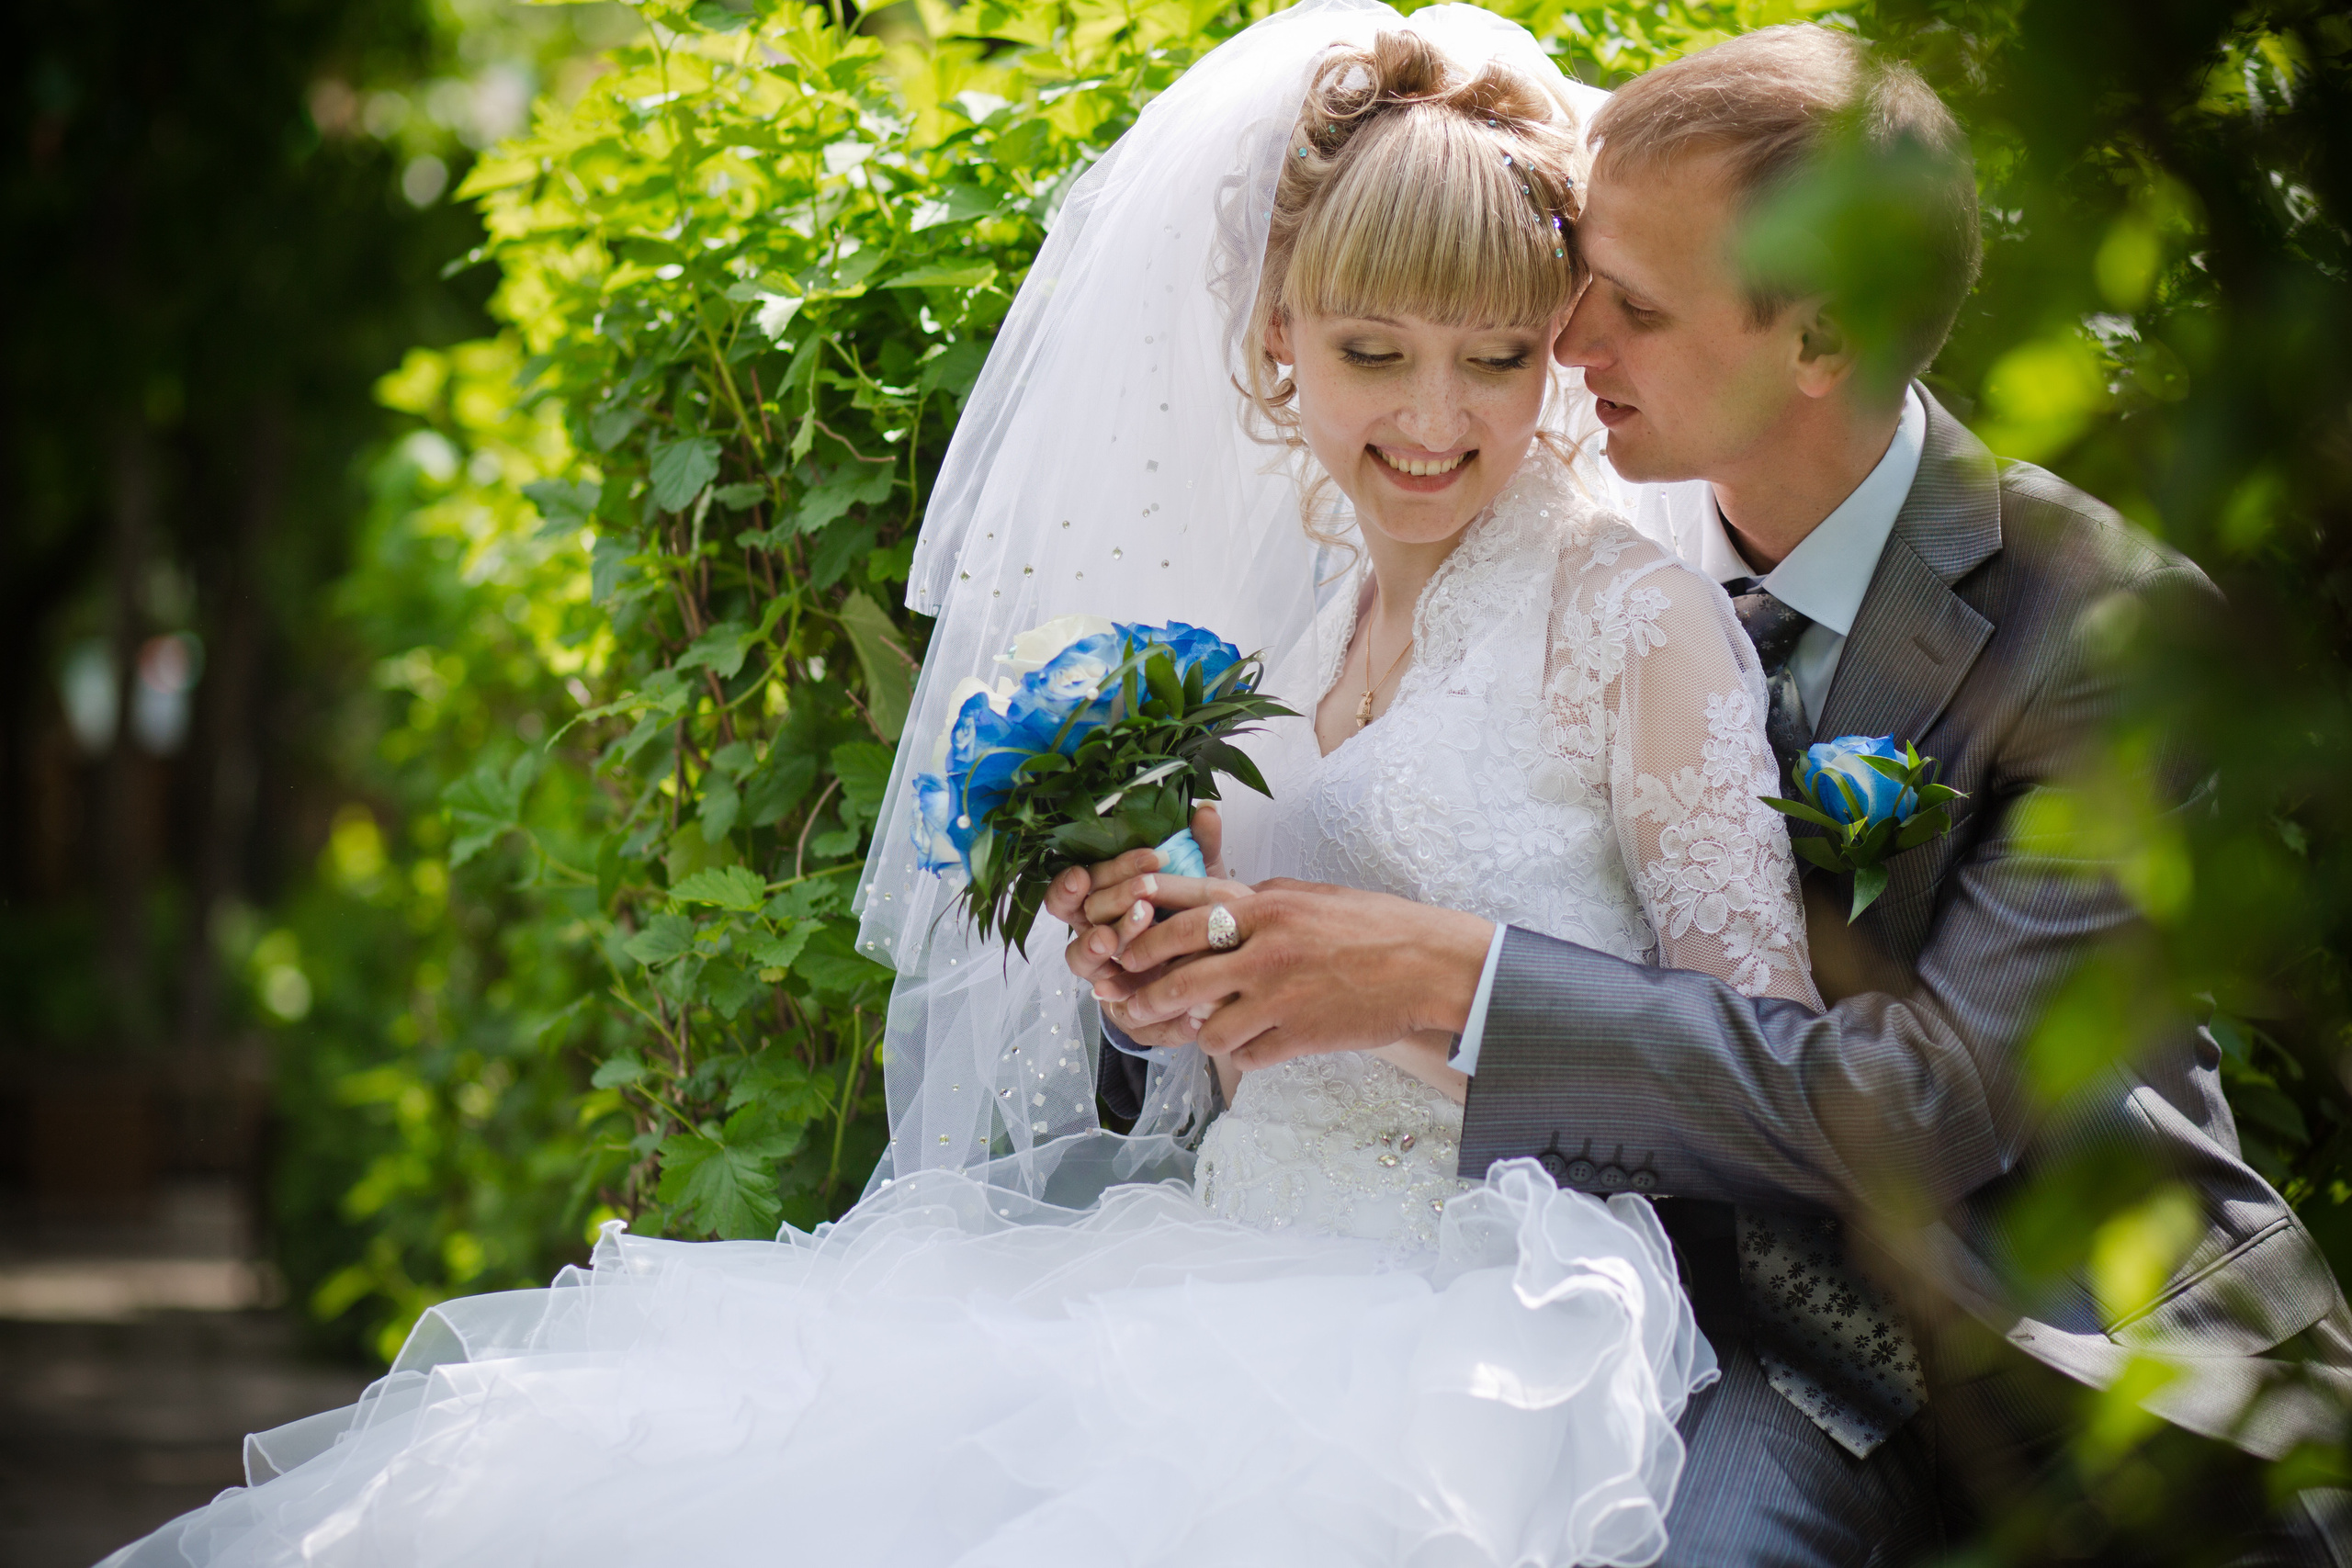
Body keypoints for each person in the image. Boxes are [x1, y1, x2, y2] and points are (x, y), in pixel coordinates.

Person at [96, 6, 1818, 1564]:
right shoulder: (1291, 650)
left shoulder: (1632, 617)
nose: (1435, 417)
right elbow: (1244, 1040)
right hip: (1216, 1253)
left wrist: (1422, 1002)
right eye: (1375, 353)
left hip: (1477, 1316)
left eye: (1497, 357)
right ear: (1280, 340)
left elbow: (1769, 1072)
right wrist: (1162, 986)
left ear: (1554, 356)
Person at [1073, 22, 2352, 1566]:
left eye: (1634, 305)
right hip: (1710, 1317)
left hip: (2043, 1350)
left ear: (1820, 341)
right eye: (1581, 272)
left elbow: (1927, 1106)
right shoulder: (1543, 550)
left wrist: (1447, 983)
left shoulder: (2094, 630)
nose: (1566, 334)